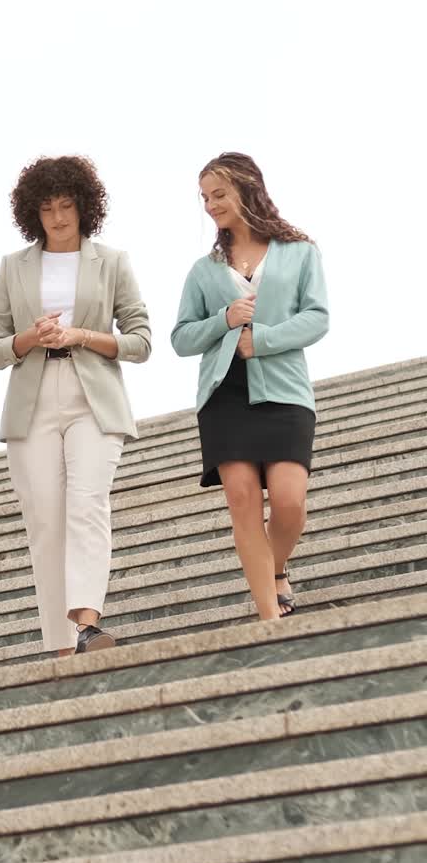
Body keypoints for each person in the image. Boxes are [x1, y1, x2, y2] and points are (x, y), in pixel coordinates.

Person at [0, 156, 151, 657]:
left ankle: (88, 624)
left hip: (93, 396)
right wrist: (30, 337)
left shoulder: (112, 262)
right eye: (47, 208)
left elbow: (140, 341)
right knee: (45, 522)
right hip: (32, 399)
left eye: (66, 205)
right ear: (32, 212)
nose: (57, 217)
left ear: (83, 206)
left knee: (87, 503)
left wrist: (81, 335)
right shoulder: (12, 266)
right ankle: (62, 646)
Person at [171, 152, 329, 621]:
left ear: (247, 188)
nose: (211, 205)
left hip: (285, 390)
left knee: (289, 503)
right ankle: (269, 619)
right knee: (242, 501)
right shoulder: (204, 270)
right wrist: (224, 319)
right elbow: (181, 338)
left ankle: (275, 568)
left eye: (219, 194)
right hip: (224, 395)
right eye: (205, 198)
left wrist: (261, 341)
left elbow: (317, 317)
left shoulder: (300, 252)